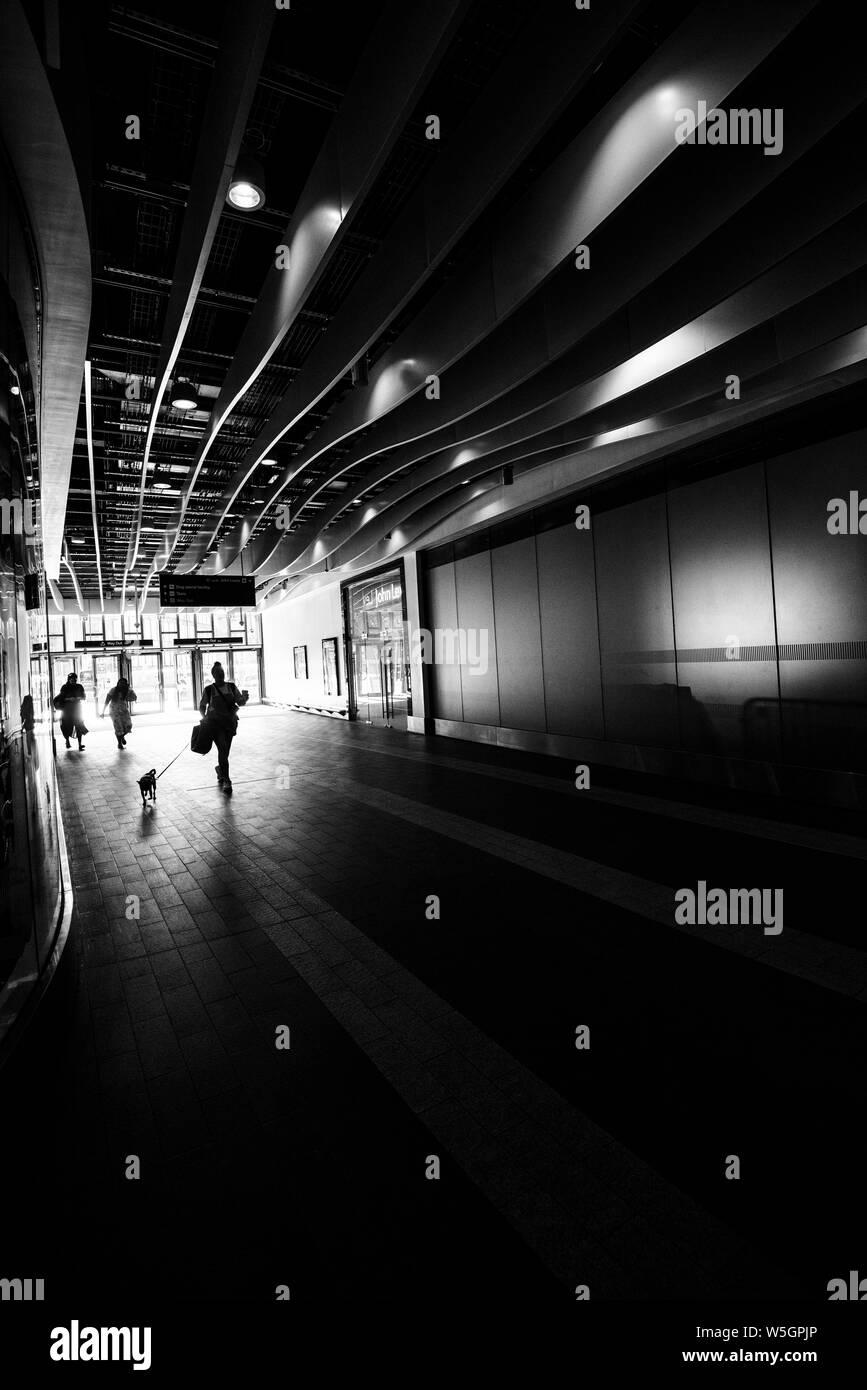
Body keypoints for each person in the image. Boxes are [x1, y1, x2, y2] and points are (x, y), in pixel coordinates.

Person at [198, 662, 248, 794]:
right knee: (223, 749)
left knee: (225, 752)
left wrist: (245, 698)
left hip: (230, 723)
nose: (220, 674)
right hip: (215, 725)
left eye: (222, 672)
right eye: (218, 673)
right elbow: (202, 705)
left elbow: (240, 702)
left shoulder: (231, 687)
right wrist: (204, 717)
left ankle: (220, 770)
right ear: (213, 675)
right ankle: (227, 780)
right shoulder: (209, 689)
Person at [53, 672, 88, 751]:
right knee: (66, 726)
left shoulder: (79, 686)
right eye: (71, 679)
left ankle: (79, 744)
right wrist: (69, 699)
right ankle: (67, 741)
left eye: (75, 679)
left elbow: (84, 696)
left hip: (77, 709)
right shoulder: (65, 687)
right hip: (67, 709)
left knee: (79, 725)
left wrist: (78, 698)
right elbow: (61, 698)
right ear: (69, 679)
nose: (73, 680)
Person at [101, 677, 137, 749]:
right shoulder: (113, 690)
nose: (122, 685)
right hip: (114, 711)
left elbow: (134, 698)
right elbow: (107, 701)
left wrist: (130, 689)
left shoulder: (127, 690)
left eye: (124, 683)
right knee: (118, 728)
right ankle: (119, 743)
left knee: (128, 726)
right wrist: (103, 712)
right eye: (120, 683)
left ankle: (122, 736)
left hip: (124, 710)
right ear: (118, 683)